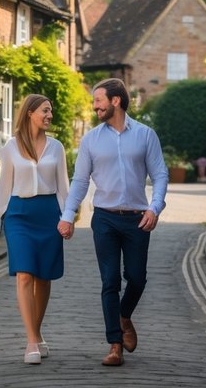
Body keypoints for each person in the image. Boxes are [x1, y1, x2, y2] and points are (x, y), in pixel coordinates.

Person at [58, 78, 168, 367]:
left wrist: (154, 208)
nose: (94, 106)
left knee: (137, 277)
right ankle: (114, 344)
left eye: (98, 101)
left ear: (115, 101)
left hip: (137, 218)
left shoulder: (145, 135)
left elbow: (160, 175)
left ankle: (124, 316)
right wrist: (68, 216)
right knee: (109, 281)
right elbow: (80, 181)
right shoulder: (91, 140)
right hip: (104, 218)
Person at [0, 94, 71, 365]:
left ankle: (37, 332)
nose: (50, 115)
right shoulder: (10, 147)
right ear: (30, 113)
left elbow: (63, 186)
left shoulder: (56, 147)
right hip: (19, 215)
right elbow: (4, 184)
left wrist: (67, 217)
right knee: (24, 274)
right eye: (45, 110)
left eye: (51, 111)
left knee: (43, 278)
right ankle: (31, 341)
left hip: (48, 215)